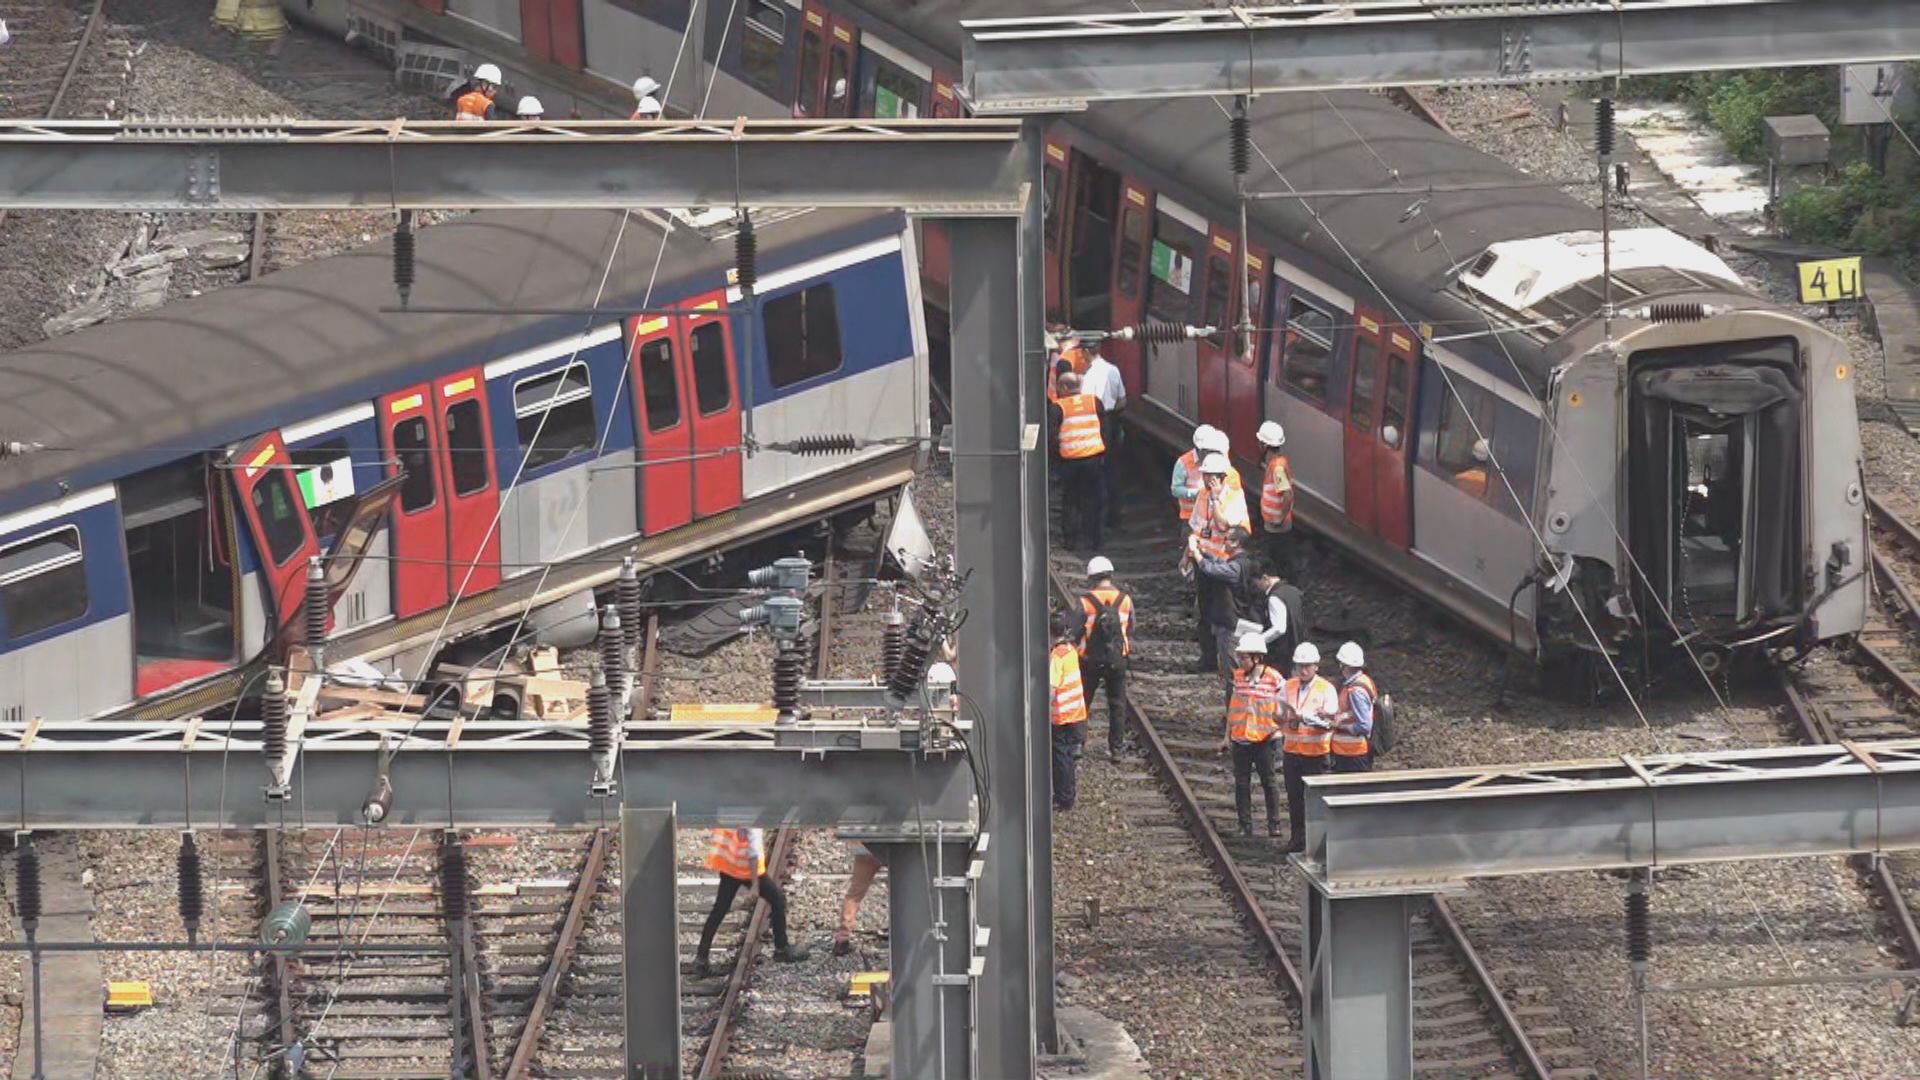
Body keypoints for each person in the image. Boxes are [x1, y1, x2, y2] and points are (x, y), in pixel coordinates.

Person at [695, 827, 809, 975]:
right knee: (777, 900)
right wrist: (755, 885)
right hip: (747, 871)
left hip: (730, 867)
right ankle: (781, 947)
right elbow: (753, 853)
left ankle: (701, 957)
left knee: (719, 909)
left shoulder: (736, 811)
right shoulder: (753, 821)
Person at [1221, 631, 1285, 837]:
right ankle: (1244, 825)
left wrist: (1280, 731)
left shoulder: (1274, 678)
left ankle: (1274, 824)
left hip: (1264, 739)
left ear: (1257, 657)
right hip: (1241, 739)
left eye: (1244, 657)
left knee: (1269, 781)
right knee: (1241, 783)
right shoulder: (1238, 677)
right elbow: (1233, 707)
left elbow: (1286, 706)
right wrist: (1226, 736)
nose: (1240, 661)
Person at [1279, 642, 1339, 853]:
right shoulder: (1288, 686)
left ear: (1316, 666)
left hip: (1316, 754)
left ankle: (1318, 843)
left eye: (1307, 666)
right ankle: (1298, 839)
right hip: (1293, 752)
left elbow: (1330, 720)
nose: (1303, 670)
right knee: (1294, 798)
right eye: (1300, 666)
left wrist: (1305, 717)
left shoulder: (1326, 689)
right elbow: (1278, 712)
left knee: (1316, 800)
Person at [1078, 556, 1134, 755]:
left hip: (1089, 660)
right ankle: (1116, 748)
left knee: (1083, 701)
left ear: (1092, 577)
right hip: (1118, 659)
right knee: (1117, 703)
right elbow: (1130, 628)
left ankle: (1078, 743)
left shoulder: (1085, 602)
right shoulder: (1125, 600)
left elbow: (1076, 631)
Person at [1048, 371, 1108, 549]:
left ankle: (1070, 540)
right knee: (1094, 498)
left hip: (1070, 461)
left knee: (1070, 500)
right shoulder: (1094, 402)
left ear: (1064, 388)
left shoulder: (1058, 407)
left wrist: (1056, 459)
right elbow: (1104, 429)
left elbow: (1052, 438)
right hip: (1093, 459)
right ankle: (1095, 538)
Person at [1191, 526, 1253, 676]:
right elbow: (1218, 564)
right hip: (1231, 619)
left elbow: (1212, 570)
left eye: (1226, 539)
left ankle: (1235, 696)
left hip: (1230, 622)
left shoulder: (1236, 567)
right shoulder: (1240, 562)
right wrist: (1204, 553)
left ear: (1235, 543)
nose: (1223, 542)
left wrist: (1196, 554)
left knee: (1231, 667)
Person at [1080, 347, 1127, 526]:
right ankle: (1115, 517)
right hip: (1112, 420)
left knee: (1095, 471)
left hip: (1094, 422)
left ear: (1086, 352)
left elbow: (1085, 402)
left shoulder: (1088, 376)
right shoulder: (1113, 370)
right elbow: (1123, 400)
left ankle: (1095, 518)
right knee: (1112, 469)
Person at [1049, 611, 1089, 812]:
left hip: (1063, 716)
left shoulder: (1056, 656)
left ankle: (1064, 799)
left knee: (1061, 758)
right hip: (1077, 712)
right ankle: (1069, 795)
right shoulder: (1071, 650)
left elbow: (1052, 687)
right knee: (1068, 757)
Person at [1256, 421, 1299, 582]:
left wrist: (1280, 517)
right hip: (1274, 526)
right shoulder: (1275, 465)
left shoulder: (1277, 468)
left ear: (1265, 445)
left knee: (1281, 561)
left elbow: (1287, 494)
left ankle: (1287, 589)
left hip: (1278, 527)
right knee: (1281, 559)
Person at [1189, 452, 1251, 562]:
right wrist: (1187, 556)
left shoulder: (1234, 497)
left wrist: (1215, 499)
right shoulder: (1203, 494)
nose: (1204, 479)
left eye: (1209, 476)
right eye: (1204, 474)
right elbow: (1195, 529)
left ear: (1221, 477)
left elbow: (1222, 526)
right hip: (1202, 560)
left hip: (1224, 563)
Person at [1250, 560, 1309, 668]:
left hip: (1282, 652)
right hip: (1299, 644)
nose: (1258, 586)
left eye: (1257, 582)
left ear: (1265, 578)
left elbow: (1279, 628)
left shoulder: (1274, 597)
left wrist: (1258, 640)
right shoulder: (1294, 591)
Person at [1329, 642, 1376, 773]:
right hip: (1350, 752)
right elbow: (1353, 712)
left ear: (1344, 665)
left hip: (1353, 753)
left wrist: (1339, 726)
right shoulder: (1361, 681)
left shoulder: (1356, 690)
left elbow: (1364, 725)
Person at [832, 842, 883, 957]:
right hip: (892, 842)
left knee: (855, 892)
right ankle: (903, 932)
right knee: (902, 883)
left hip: (864, 845)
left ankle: (842, 938)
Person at [1170, 425, 1214, 523]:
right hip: (1190, 517)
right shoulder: (1183, 462)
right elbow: (1175, 489)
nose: (1207, 453)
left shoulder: (1215, 461)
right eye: (1205, 450)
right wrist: (1195, 494)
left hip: (1211, 517)